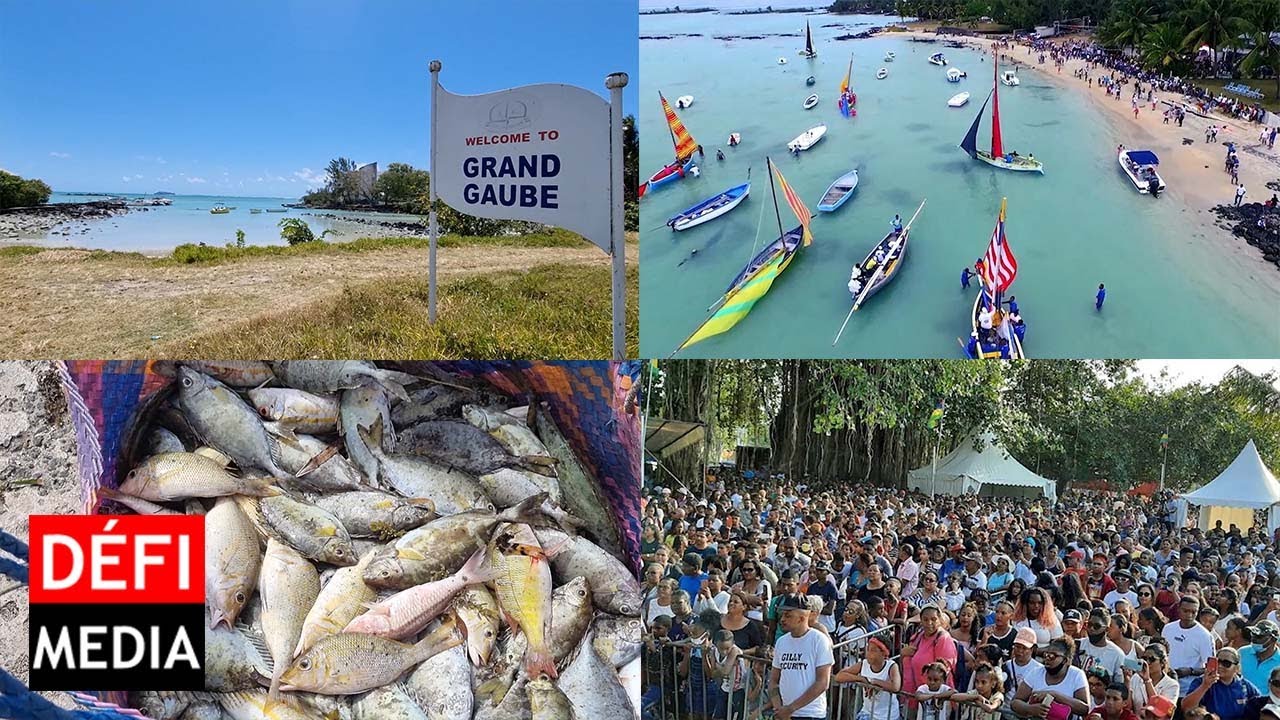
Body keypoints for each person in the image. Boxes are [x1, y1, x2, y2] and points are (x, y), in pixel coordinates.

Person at [770, 593, 834, 720]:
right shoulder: (781, 642)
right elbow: (773, 680)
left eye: (788, 615)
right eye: (782, 615)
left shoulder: (819, 640)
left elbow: (823, 682)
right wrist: (779, 709)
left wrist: (790, 709)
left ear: (802, 618)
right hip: (785, 713)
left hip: (811, 714)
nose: (782, 619)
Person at [1011, 636, 1092, 720]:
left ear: (1065, 660)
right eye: (1046, 654)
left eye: (1053, 656)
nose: (1047, 659)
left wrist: (1054, 695)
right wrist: (1030, 709)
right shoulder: (1036, 672)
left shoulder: (1077, 675)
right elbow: (1015, 702)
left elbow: (1085, 709)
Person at [1181, 647, 1260, 720]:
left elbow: (1261, 707)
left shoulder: (1245, 686)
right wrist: (1204, 686)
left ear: (1237, 668)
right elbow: (1186, 707)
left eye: (1226, 663)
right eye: (1218, 661)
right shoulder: (1202, 681)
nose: (1220, 666)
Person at [834, 636, 901, 720]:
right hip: (868, 713)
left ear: (884, 653)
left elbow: (895, 686)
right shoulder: (863, 664)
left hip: (888, 716)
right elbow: (839, 676)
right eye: (868, 649)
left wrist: (874, 682)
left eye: (873, 650)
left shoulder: (891, 666)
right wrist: (861, 678)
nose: (868, 653)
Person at [1166, 595, 1217, 695]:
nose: (1189, 615)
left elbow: (1211, 668)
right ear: (1178, 609)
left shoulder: (1205, 636)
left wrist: (1190, 671)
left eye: (1194, 612)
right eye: (1186, 611)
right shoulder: (1168, 628)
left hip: (1189, 691)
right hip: (1167, 688)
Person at [1239, 620, 1280, 692]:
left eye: (1259, 636)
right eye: (1253, 635)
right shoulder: (1242, 652)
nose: (1254, 639)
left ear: (1273, 639)